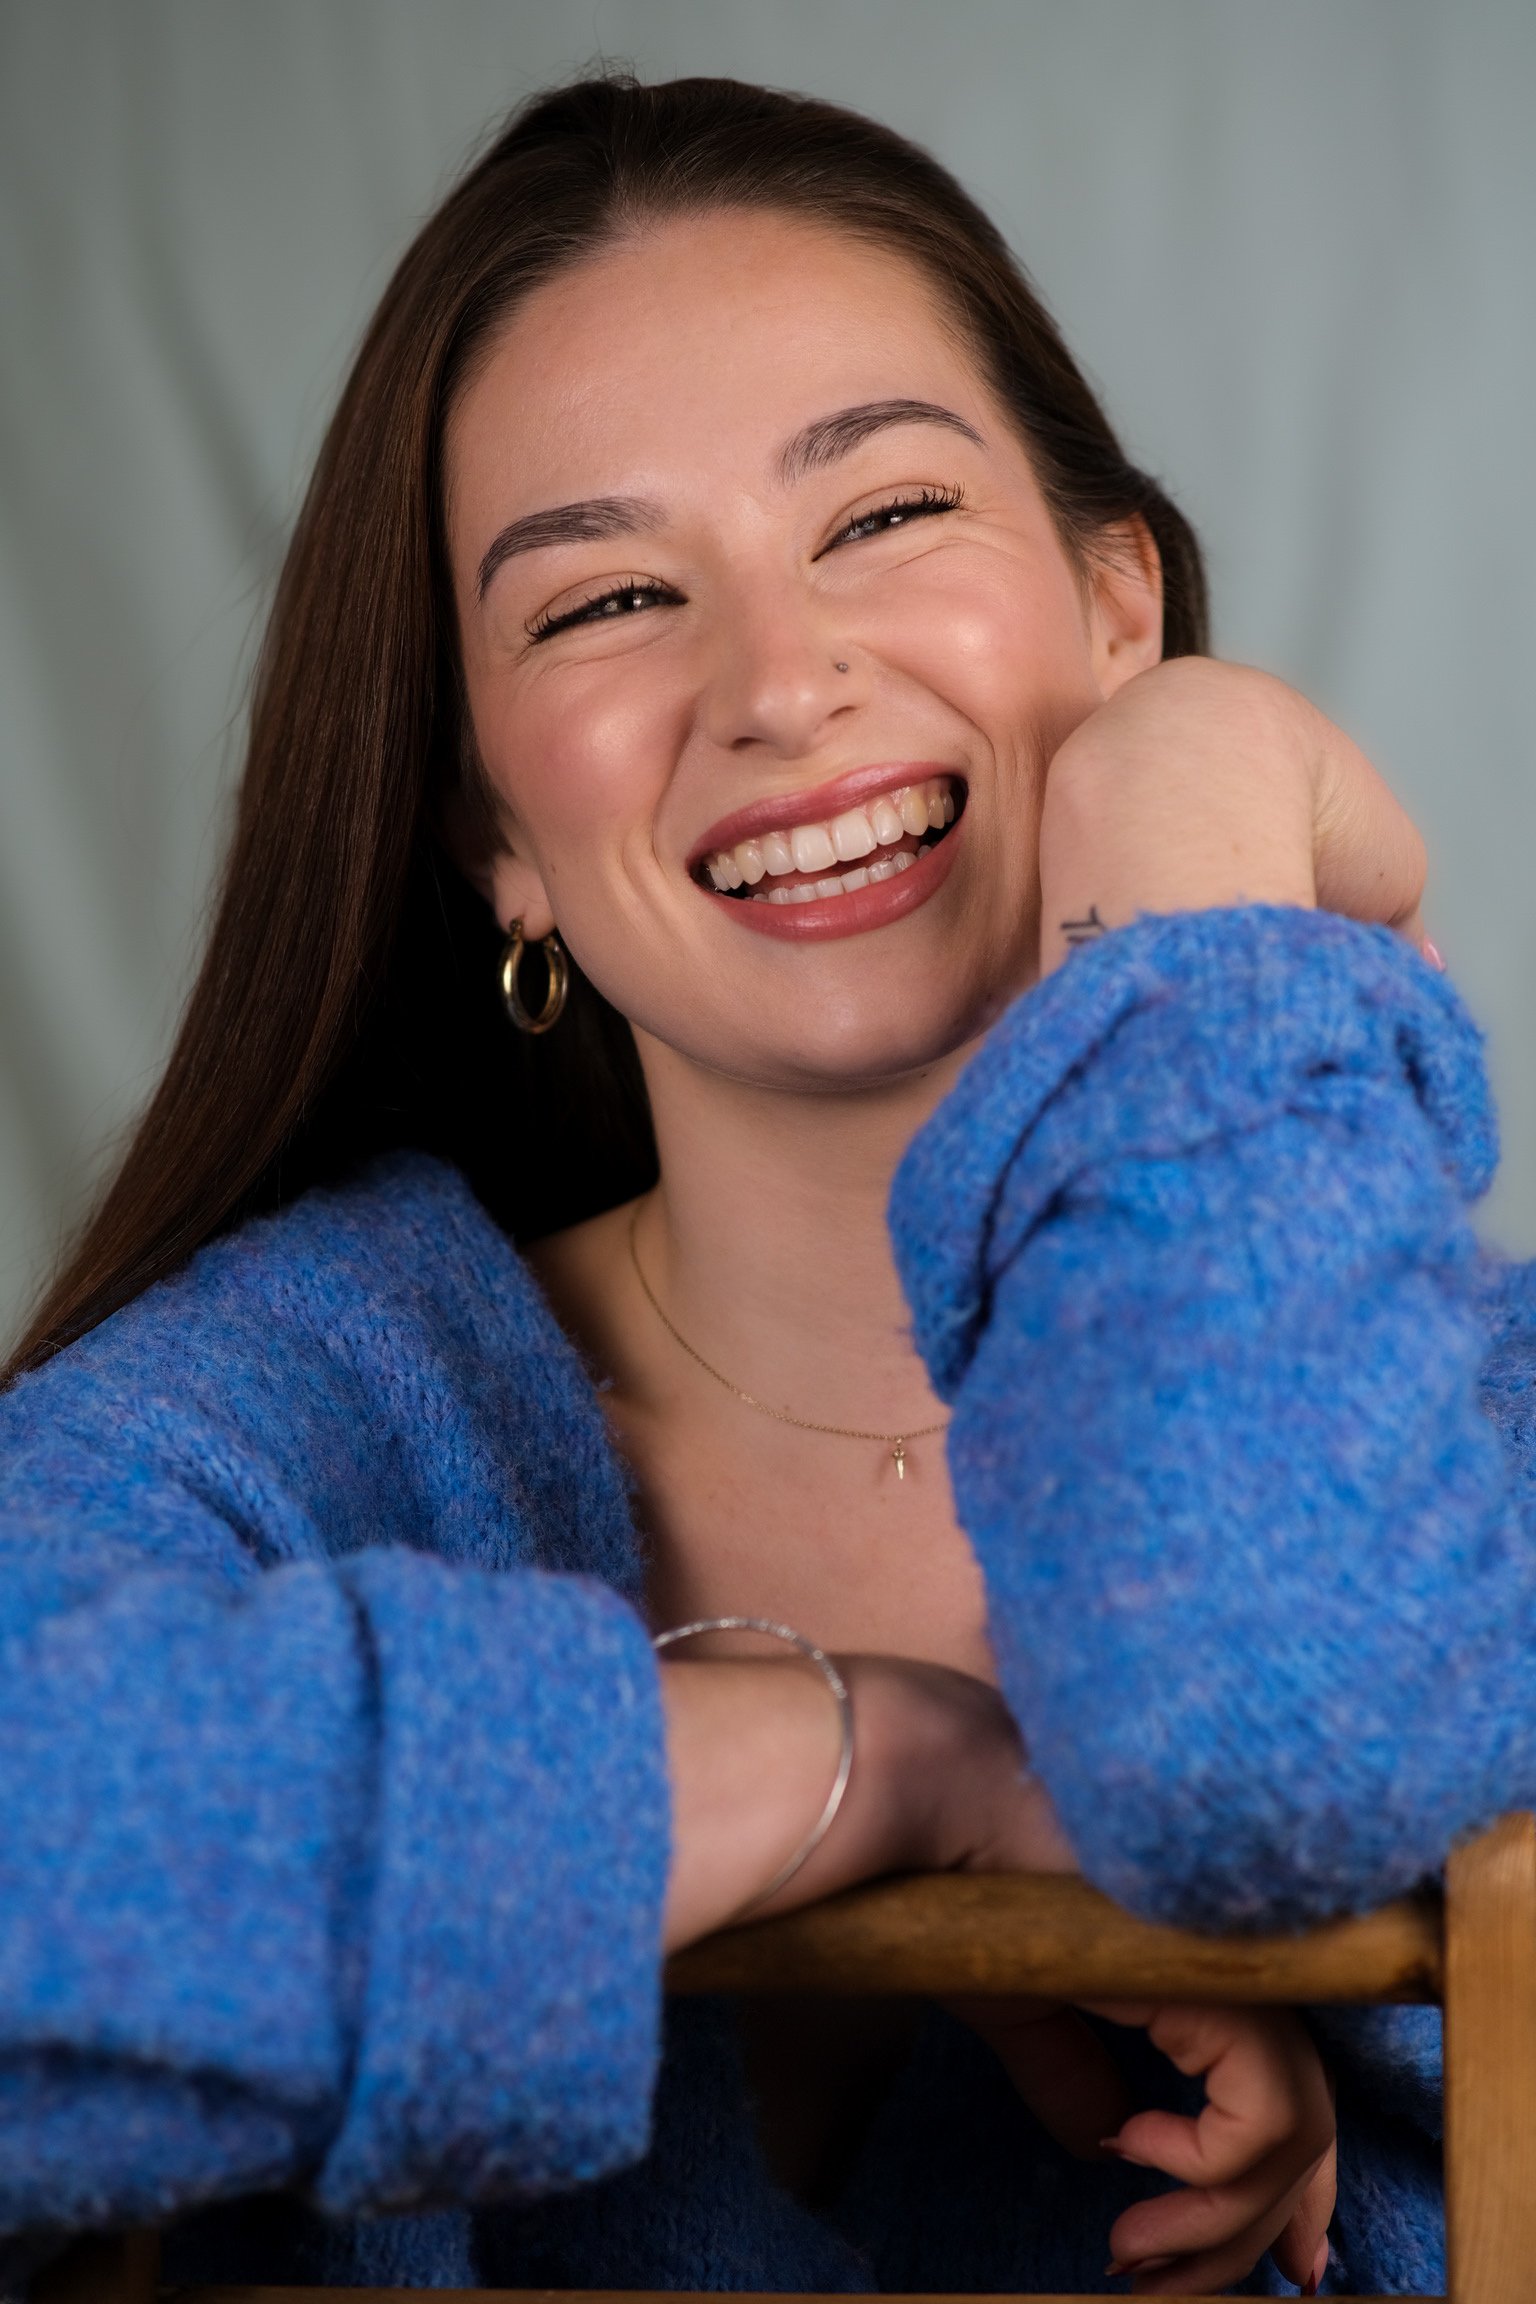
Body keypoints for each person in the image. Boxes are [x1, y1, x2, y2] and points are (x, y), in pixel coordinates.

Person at [2, 71, 1531, 2299]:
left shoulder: (1472, 1425)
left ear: (1118, 610)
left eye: (887, 514)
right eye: (610, 595)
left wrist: (1193, 848)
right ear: (493, 834)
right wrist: (867, 1768)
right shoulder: (308, 1406)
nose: (781, 682)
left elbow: (1259, 1727)